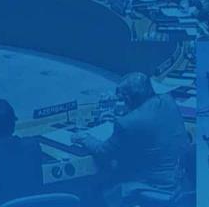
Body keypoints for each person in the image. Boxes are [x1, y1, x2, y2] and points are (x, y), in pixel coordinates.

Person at [74, 73, 191, 207]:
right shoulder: (167, 100)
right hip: (180, 184)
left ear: (128, 98)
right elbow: (149, 122)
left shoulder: (127, 123)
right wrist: (123, 117)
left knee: (95, 189)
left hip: (154, 187)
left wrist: (85, 138)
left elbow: (103, 152)